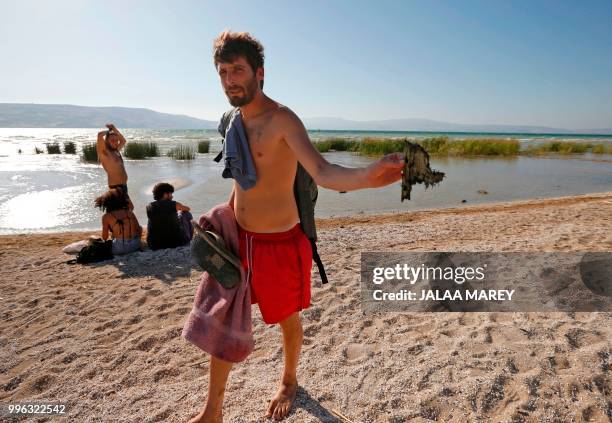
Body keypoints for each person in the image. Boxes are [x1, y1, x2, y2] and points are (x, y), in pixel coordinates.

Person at [188, 31, 404, 423]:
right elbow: (242, 179)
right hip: (240, 238)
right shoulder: (233, 120)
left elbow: (322, 171)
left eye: (238, 70)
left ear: (260, 72)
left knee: (287, 319)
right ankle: (212, 412)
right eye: (222, 72)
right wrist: (224, 220)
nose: (230, 79)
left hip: (279, 244)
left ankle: (289, 381)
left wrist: (370, 176)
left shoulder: (282, 119)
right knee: (222, 320)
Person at [96, 123, 134, 210]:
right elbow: (99, 135)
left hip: (123, 185)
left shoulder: (116, 151)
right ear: (107, 141)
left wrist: (114, 129)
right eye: (112, 140)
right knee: (128, 208)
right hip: (115, 187)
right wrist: (109, 131)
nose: (116, 142)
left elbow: (123, 141)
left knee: (123, 209)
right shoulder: (104, 153)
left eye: (116, 140)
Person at [95, 188, 143, 255]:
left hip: (119, 249)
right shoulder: (129, 212)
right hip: (135, 246)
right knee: (140, 227)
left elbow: (105, 237)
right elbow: (138, 229)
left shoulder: (106, 217)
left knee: (94, 239)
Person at [146, 182, 193, 250]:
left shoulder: (149, 206)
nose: (172, 196)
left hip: (154, 245)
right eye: (171, 193)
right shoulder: (174, 204)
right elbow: (188, 208)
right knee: (186, 213)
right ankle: (189, 239)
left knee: (154, 219)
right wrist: (179, 212)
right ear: (165, 194)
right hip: (174, 243)